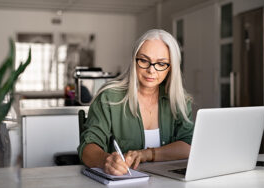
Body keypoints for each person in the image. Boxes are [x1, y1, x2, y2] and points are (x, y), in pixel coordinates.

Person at [77, 29, 194, 176]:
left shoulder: (179, 101)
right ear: (134, 60)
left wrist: (147, 154)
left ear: (171, 68)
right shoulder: (108, 97)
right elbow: (87, 148)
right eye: (144, 60)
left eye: (161, 63)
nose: (151, 70)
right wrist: (106, 160)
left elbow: (188, 146)